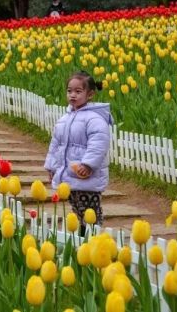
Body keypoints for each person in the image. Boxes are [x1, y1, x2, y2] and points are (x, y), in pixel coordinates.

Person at [44, 71, 113, 232]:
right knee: (77, 209)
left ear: (90, 95)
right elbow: (56, 145)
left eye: (78, 91)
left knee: (89, 211)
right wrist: (52, 167)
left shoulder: (94, 119)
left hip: (87, 176)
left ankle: (92, 239)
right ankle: (82, 241)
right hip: (70, 175)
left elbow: (99, 143)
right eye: (69, 91)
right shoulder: (65, 119)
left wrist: (88, 164)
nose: (72, 95)